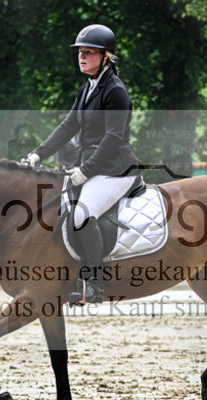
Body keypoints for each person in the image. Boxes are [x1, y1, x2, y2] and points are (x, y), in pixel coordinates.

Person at [23, 24, 140, 305]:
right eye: (80, 52)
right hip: (92, 165)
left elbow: (112, 138)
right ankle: (73, 279)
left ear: (105, 57)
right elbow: (67, 126)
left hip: (116, 169)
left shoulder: (115, 91)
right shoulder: (87, 88)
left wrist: (86, 171)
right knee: (62, 211)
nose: (82, 57)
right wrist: (38, 153)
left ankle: (94, 284)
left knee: (81, 215)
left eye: (89, 53)